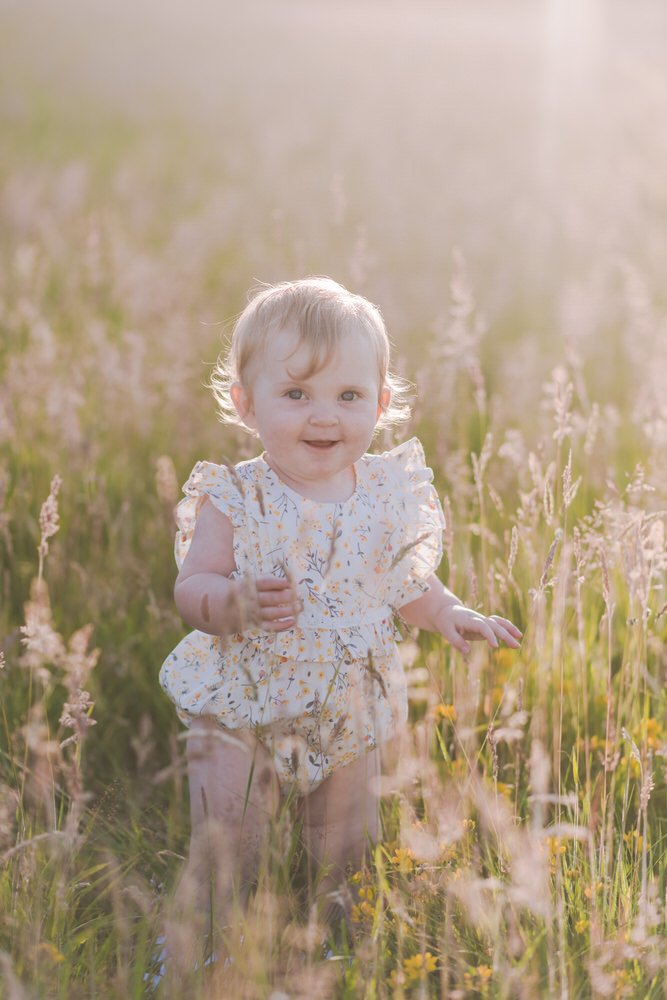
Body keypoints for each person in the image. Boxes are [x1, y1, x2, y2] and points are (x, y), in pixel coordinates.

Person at [159, 276, 521, 968]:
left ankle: (335, 948)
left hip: (349, 699)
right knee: (230, 837)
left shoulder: (385, 494)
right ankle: (204, 948)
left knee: (344, 839)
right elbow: (191, 586)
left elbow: (402, 584)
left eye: (348, 396)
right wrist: (228, 603)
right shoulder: (235, 494)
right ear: (246, 404)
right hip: (243, 697)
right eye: (295, 394)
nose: (323, 416)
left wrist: (448, 614)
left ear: (381, 405)